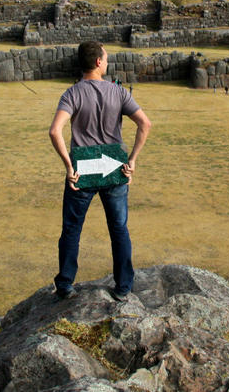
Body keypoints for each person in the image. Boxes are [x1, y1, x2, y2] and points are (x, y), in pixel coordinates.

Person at [49, 41, 151, 302]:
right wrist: (133, 159)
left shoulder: (72, 94)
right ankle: (123, 286)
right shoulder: (119, 93)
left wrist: (68, 166)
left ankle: (65, 283)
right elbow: (144, 124)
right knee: (119, 229)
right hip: (115, 169)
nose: (107, 62)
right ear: (98, 62)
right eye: (105, 59)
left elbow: (55, 130)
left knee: (72, 229)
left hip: (82, 171)